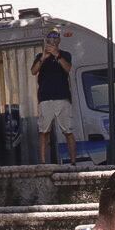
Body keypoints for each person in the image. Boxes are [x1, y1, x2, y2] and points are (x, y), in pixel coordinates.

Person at [32, 29, 78, 166]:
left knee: (68, 131)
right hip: (45, 98)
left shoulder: (65, 55)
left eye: (55, 38)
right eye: (50, 38)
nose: (52, 40)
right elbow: (33, 71)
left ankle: (73, 162)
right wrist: (43, 58)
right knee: (43, 131)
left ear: (59, 40)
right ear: (47, 40)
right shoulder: (40, 56)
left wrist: (57, 55)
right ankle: (43, 162)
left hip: (62, 97)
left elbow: (68, 68)